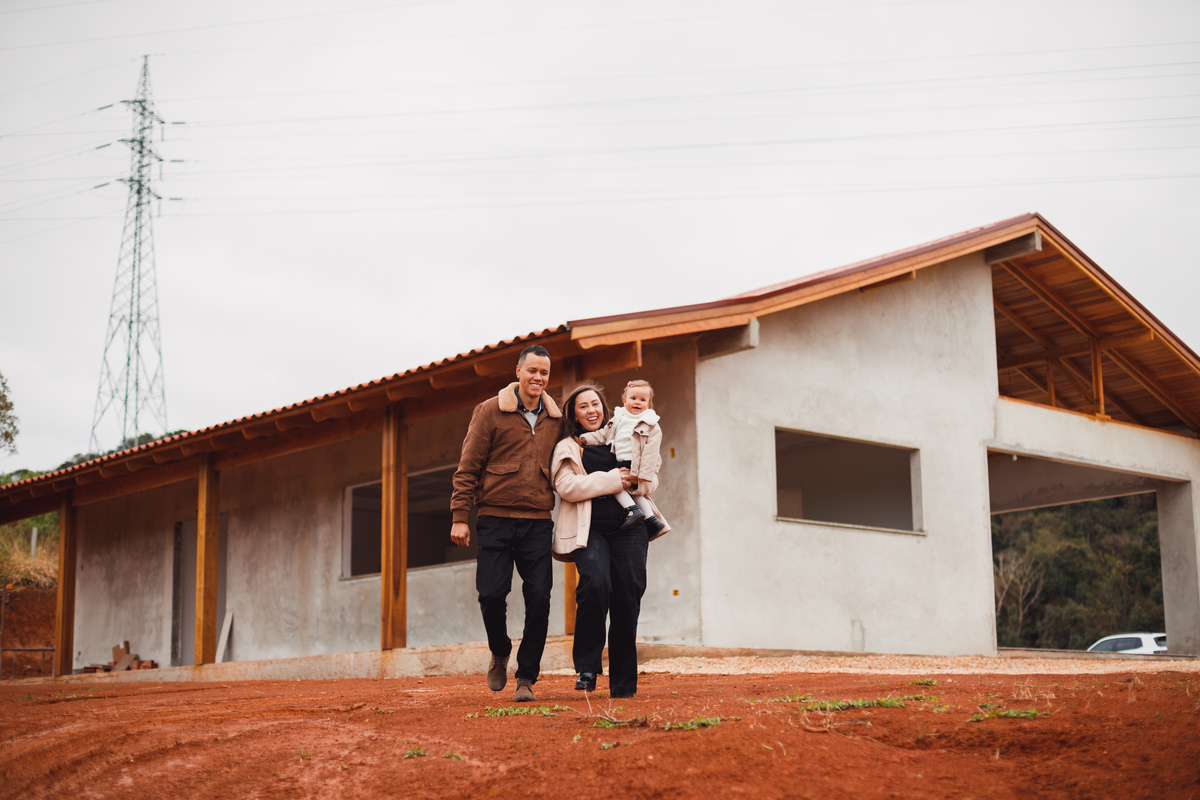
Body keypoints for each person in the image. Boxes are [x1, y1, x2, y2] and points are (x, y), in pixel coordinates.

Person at [450, 344, 560, 703]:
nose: (538, 377)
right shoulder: (490, 411)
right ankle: (499, 650)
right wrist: (460, 518)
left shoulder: (556, 419)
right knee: (491, 594)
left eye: (544, 372)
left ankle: (526, 676)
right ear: (518, 372)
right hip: (495, 519)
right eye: (532, 370)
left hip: (538, 522)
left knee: (539, 598)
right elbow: (467, 468)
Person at [550, 382, 670, 698]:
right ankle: (588, 667)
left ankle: (623, 683)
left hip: (630, 525)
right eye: (583, 406)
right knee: (594, 583)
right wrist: (616, 479)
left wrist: (639, 481)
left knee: (628, 595)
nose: (591, 410)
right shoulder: (569, 446)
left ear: (604, 408)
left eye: (595, 404)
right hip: (589, 528)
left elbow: (651, 479)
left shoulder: (627, 430)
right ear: (574, 414)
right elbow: (567, 487)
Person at [579, 379, 666, 535]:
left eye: (642, 400)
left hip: (637, 463)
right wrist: (586, 438)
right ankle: (651, 518)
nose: (637, 402)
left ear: (649, 404)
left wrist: (642, 475)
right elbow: (604, 434)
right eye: (633, 398)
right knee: (628, 489)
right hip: (621, 460)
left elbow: (651, 453)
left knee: (616, 486)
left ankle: (632, 509)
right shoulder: (618, 418)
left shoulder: (650, 423)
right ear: (625, 401)